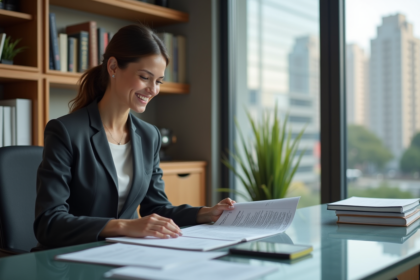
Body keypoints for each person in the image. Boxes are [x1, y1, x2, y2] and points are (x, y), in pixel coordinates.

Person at [33, 24, 235, 249]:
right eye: (145, 77)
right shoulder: (65, 132)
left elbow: (157, 209)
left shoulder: (149, 136)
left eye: (158, 81)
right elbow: (48, 223)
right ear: (113, 67)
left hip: (123, 254)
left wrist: (207, 213)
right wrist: (124, 226)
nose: (153, 89)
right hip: (69, 257)